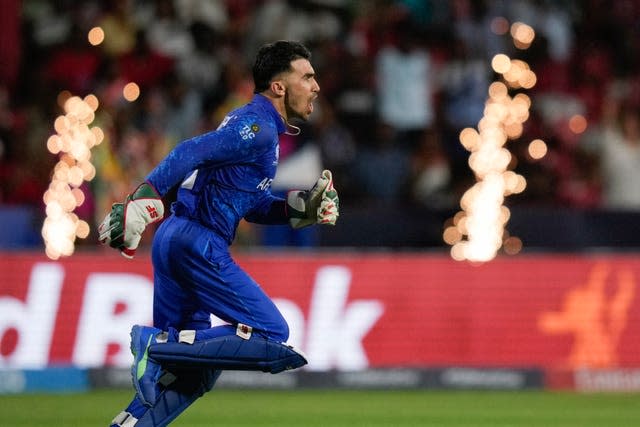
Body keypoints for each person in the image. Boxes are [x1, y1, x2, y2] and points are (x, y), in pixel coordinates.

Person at [99, 40, 339, 427]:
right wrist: (145, 195)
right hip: (198, 243)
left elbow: (249, 204)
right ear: (278, 86)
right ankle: (154, 344)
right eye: (307, 77)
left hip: (176, 240)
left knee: (190, 376)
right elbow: (191, 149)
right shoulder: (258, 127)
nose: (316, 86)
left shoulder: (253, 126)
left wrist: (298, 209)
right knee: (272, 332)